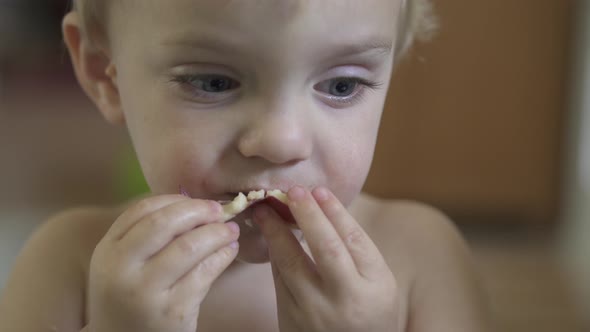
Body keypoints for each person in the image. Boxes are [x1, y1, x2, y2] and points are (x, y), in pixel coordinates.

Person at [0, 0, 491, 331]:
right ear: (103, 74)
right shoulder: (70, 266)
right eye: (213, 83)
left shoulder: (424, 259)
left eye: (341, 85)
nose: (280, 141)